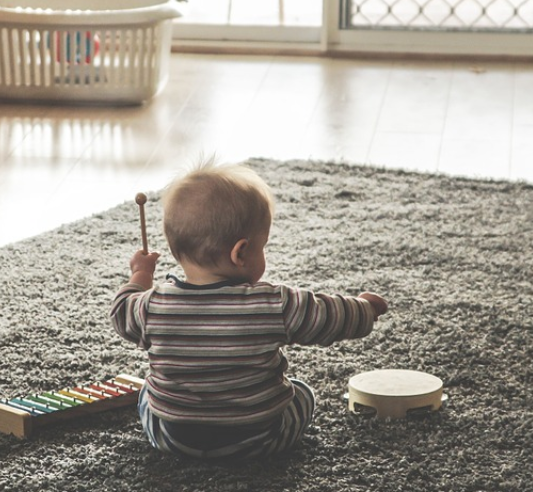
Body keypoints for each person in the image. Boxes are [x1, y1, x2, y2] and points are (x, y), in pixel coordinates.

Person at [110, 160, 388, 460]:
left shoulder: (151, 306)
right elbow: (328, 315)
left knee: (146, 394)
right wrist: (365, 309)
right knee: (302, 392)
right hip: (259, 439)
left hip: (175, 439)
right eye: (262, 246)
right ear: (240, 252)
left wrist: (140, 274)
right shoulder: (273, 304)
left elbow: (121, 311)